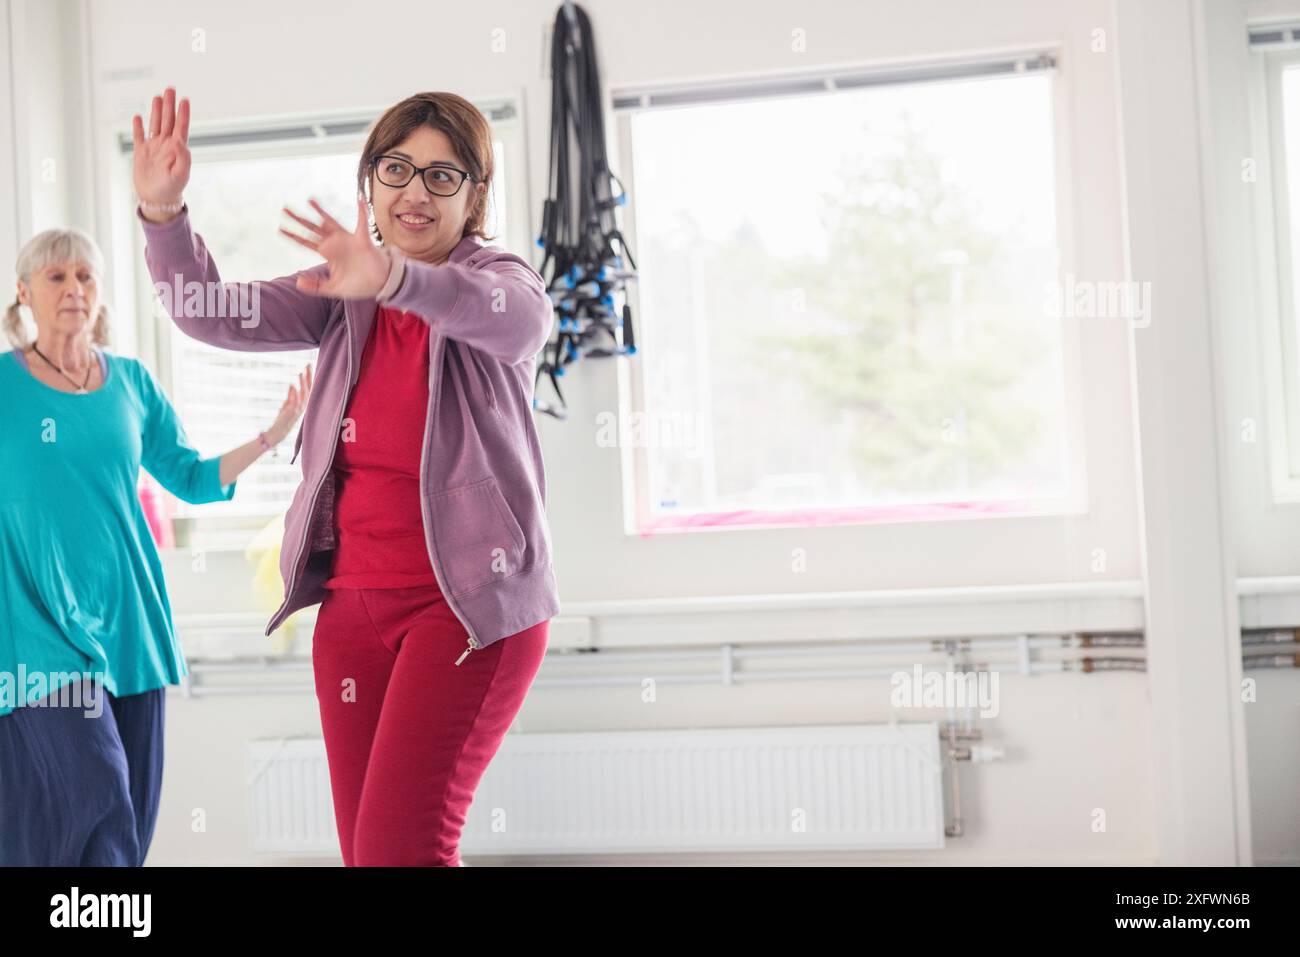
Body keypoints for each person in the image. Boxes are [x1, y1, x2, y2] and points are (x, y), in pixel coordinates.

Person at [133, 87, 561, 867]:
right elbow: (211, 312)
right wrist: (165, 218)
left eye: (443, 175)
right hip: (352, 616)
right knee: (369, 856)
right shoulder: (344, 294)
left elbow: (521, 319)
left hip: (467, 610)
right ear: (369, 185)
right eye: (396, 169)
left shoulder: (490, 280)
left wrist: (396, 279)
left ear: (475, 197)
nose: (415, 191)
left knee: (404, 852)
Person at [0, 225, 310, 866]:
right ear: (25, 292)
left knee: (131, 819)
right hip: (35, 626)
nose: (73, 289)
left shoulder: (131, 384)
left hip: (131, 623)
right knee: (95, 790)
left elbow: (191, 478)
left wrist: (270, 436)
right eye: (56, 277)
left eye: (85, 276)